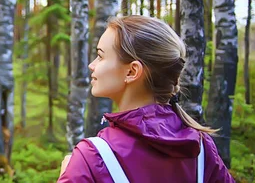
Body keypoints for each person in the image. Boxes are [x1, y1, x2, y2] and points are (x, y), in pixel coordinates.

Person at [57, 15, 235, 183]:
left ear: (132, 71)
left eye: (101, 56)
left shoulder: (91, 158)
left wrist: (68, 174)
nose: (92, 65)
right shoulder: (202, 149)